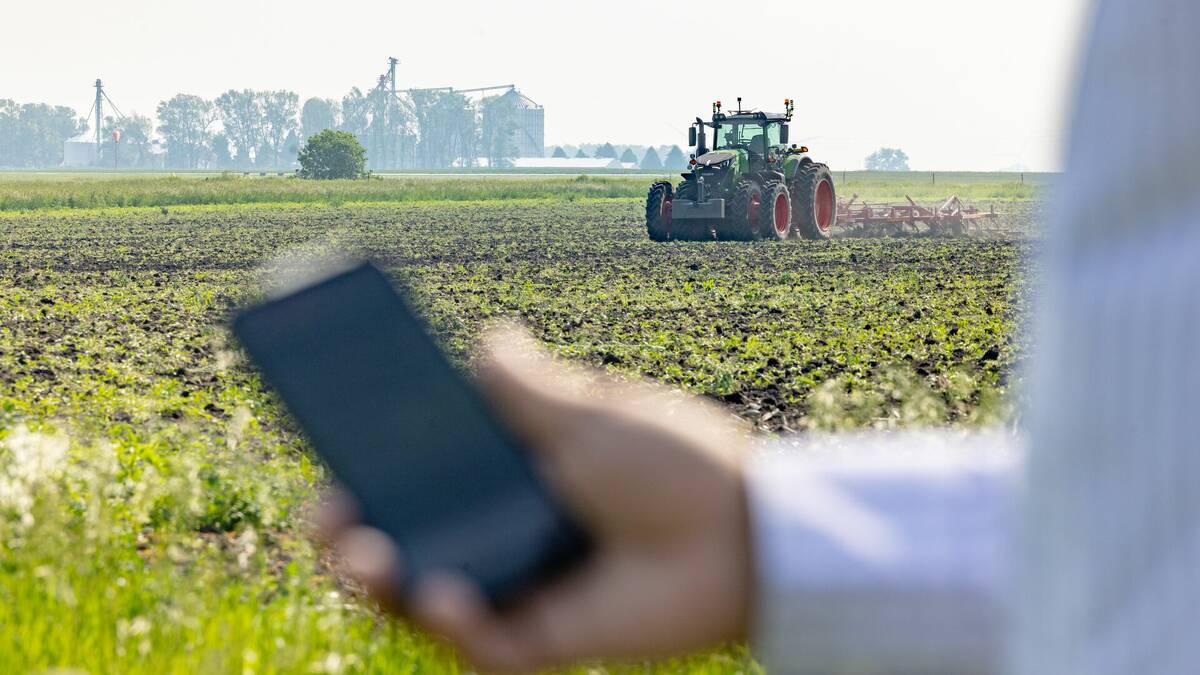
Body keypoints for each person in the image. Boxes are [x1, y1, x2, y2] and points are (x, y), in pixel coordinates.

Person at [321, 0, 1200, 672]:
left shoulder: (778, 172)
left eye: (747, 138)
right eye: (729, 138)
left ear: (769, 141)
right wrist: (754, 531)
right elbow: (1136, 528)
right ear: (716, 137)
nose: (731, 147)